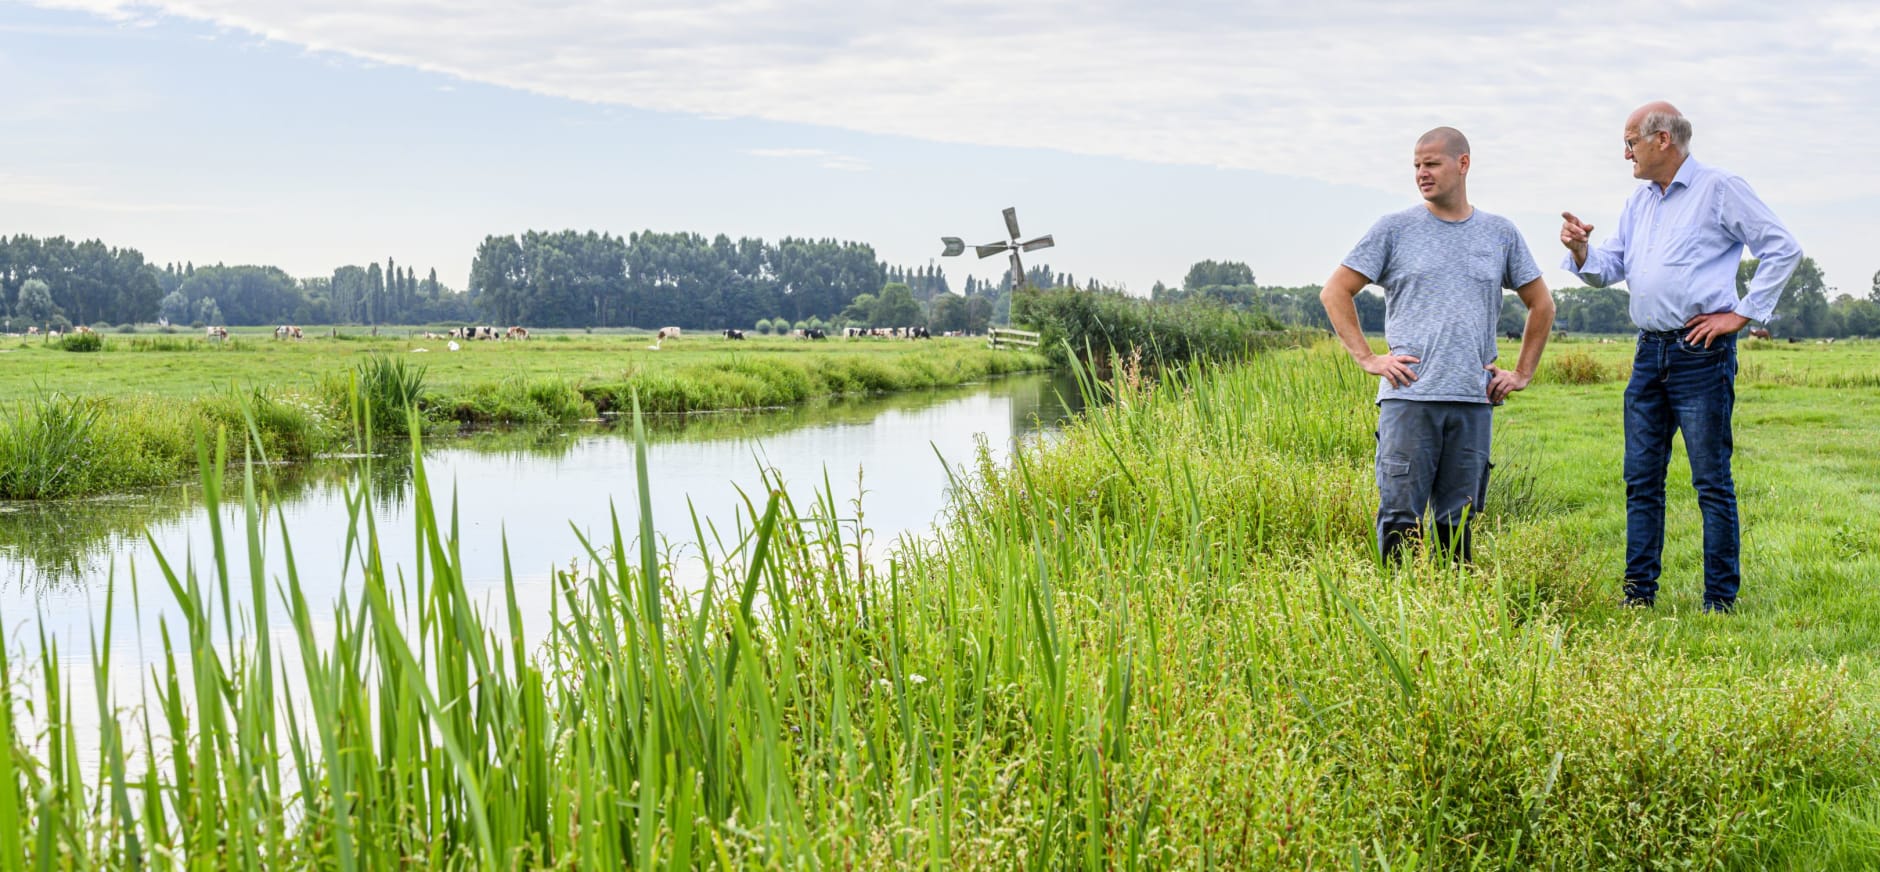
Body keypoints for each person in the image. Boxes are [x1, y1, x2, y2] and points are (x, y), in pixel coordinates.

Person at [1559, 101, 1800, 613]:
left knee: (1710, 480)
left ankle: (1719, 601)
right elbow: (1611, 266)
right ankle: (1638, 596)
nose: (1625, 153)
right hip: (1648, 352)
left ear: (1661, 140)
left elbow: (1782, 247)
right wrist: (1581, 251)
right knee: (1641, 478)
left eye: (1630, 142)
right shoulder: (1639, 201)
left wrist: (1742, 314)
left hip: (1700, 352)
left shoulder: (1719, 188)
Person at [1321, 127, 1554, 563]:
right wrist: (1369, 358)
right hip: (1410, 396)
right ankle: (1399, 608)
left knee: (1458, 520)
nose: (1421, 173)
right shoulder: (1394, 229)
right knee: (1399, 515)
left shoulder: (1500, 233)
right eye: (1416, 165)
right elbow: (1336, 291)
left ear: (1463, 164)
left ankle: (1452, 613)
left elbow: (1541, 305)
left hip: (1472, 398)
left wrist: (1521, 373)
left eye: (1431, 163)